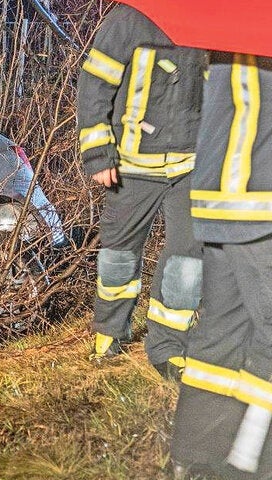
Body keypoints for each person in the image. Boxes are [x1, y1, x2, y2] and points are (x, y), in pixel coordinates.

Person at [76, 4, 207, 380]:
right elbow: (94, 85)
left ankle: (169, 347)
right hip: (130, 165)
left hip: (193, 165)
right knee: (118, 255)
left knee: (187, 262)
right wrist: (98, 153)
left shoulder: (210, 20)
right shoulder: (129, 17)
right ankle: (110, 332)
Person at [171, 52, 272, 479]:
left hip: (216, 199)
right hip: (261, 199)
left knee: (221, 332)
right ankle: (249, 464)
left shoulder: (226, 36)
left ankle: (193, 459)